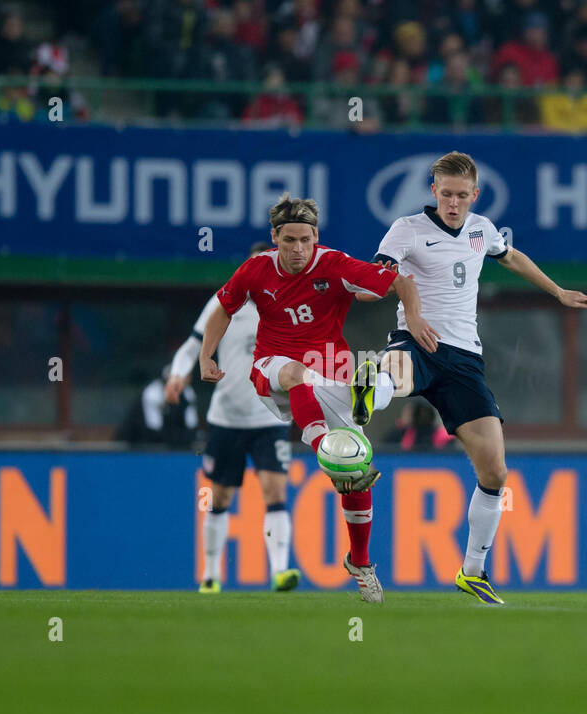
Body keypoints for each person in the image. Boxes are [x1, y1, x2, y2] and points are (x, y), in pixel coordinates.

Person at [352, 151, 587, 604]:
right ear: (433, 190)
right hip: (417, 339)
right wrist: (411, 311)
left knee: (496, 470)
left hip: (465, 359)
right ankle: (372, 385)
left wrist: (559, 291)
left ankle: (473, 571)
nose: (453, 203)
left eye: (461, 196)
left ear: (475, 195)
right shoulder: (406, 229)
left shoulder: (482, 229)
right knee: (398, 369)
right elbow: (379, 276)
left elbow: (512, 258)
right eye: (445, 194)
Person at [199, 194, 430, 603]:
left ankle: (360, 561)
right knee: (294, 372)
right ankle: (323, 442)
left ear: (315, 236)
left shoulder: (334, 264)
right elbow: (223, 308)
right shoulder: (256, 269)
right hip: (273, 369)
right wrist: (206, 355)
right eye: (288, 240)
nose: (297, 249)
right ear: (274, 238)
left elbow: (399, 282)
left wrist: (411, 314)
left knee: (358, 470)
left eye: (305, 239)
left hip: (331, 371)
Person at [166, 242, 302, 593]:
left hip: (270, 416)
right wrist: (178, 375)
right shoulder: (225, 301)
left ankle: (280, 571)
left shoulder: (288, 304)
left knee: (275, 489)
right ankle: (211, 575)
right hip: (226, 418)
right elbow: (193, 345)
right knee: (221, 497)